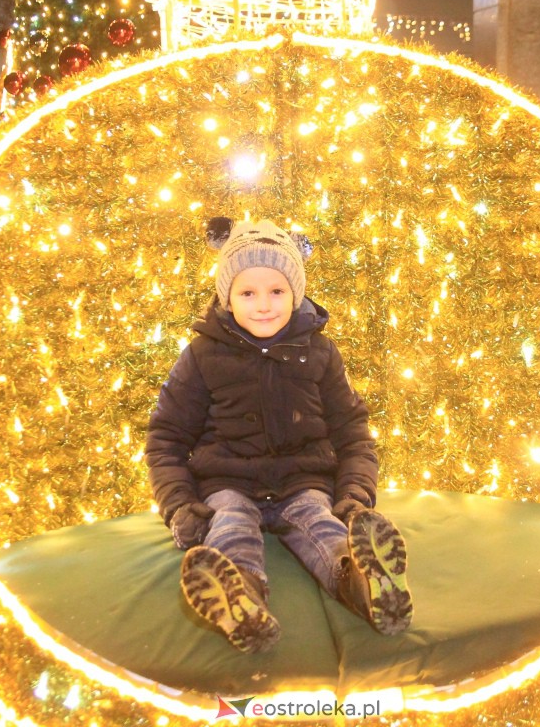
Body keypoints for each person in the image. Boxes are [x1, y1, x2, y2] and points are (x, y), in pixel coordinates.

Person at [146, 218, 413, 653]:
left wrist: (354, 498)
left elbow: (353, 433)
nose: (264, 305)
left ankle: (367, 586)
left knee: (321, 525)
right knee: (229, 526)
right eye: (248, 293)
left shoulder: (320, 353)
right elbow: (166, 438)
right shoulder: (201, 356)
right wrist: (179, 506)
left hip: (302, 482)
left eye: (276, 291)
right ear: (227, 297)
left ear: (296, 293)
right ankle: (241, 600)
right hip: (228, 484)